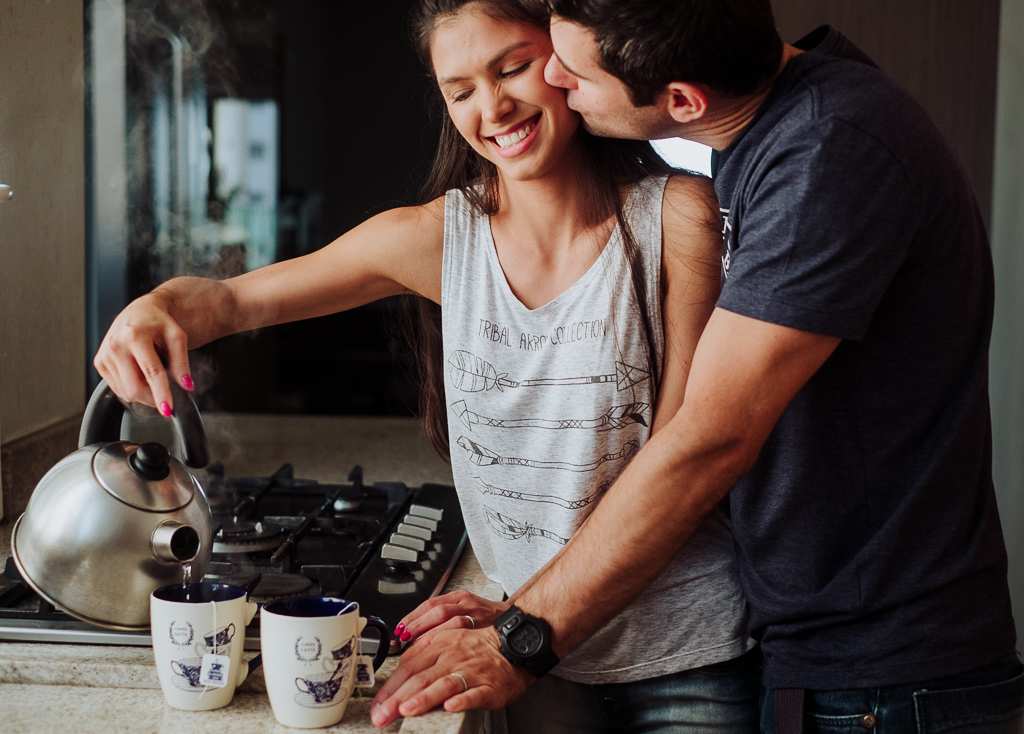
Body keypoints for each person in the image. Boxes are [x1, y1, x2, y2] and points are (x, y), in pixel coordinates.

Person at [94, 0, 760, 730]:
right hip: (525, 658)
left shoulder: (676, 217)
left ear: (566, 58)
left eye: (512, 67)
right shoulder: (438, 239)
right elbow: (226, 302)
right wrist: (155, 307)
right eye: (461, 88)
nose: (493, 105)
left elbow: (683, 461)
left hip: (685, 655)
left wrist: (526, 620)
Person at [372, 1, 1024, 732]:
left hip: (882, 677)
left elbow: (709, 439)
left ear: (682, 100)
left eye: (574, 70)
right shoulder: (786, 128)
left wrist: (520, 637)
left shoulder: (826, 150)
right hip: (838, 656)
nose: (554, 78)